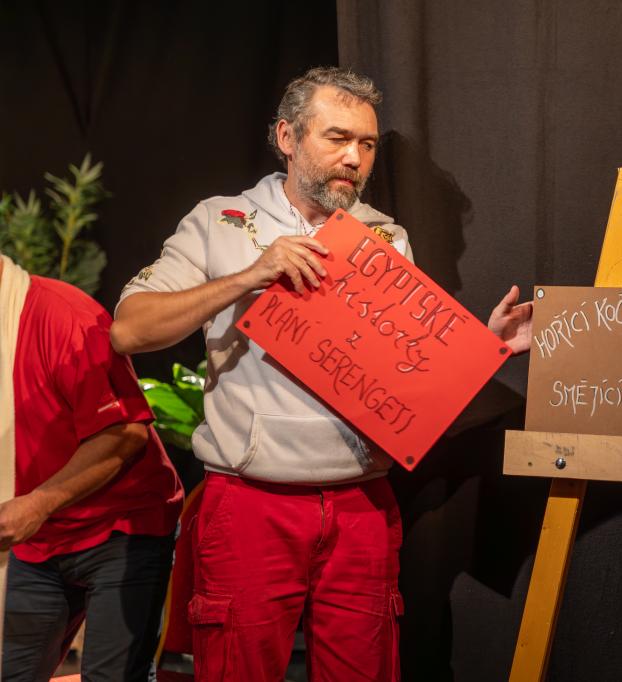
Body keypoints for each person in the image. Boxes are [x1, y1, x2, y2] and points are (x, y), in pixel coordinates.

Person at [110, 67, 532, 681]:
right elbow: (129, 330)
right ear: (287, 136)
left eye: (367, 144)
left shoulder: (385, 236)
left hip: (362, 504)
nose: (354, 158)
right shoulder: (221, 221)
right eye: (337, 138)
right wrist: (250, 275)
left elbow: (406, 379)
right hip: (252, 503)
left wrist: (481, 349)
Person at [0, 254, 183, 681]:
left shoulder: (62, 315)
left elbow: (126, 433)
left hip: (121, 526)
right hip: (37, 536)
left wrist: (38, 504)